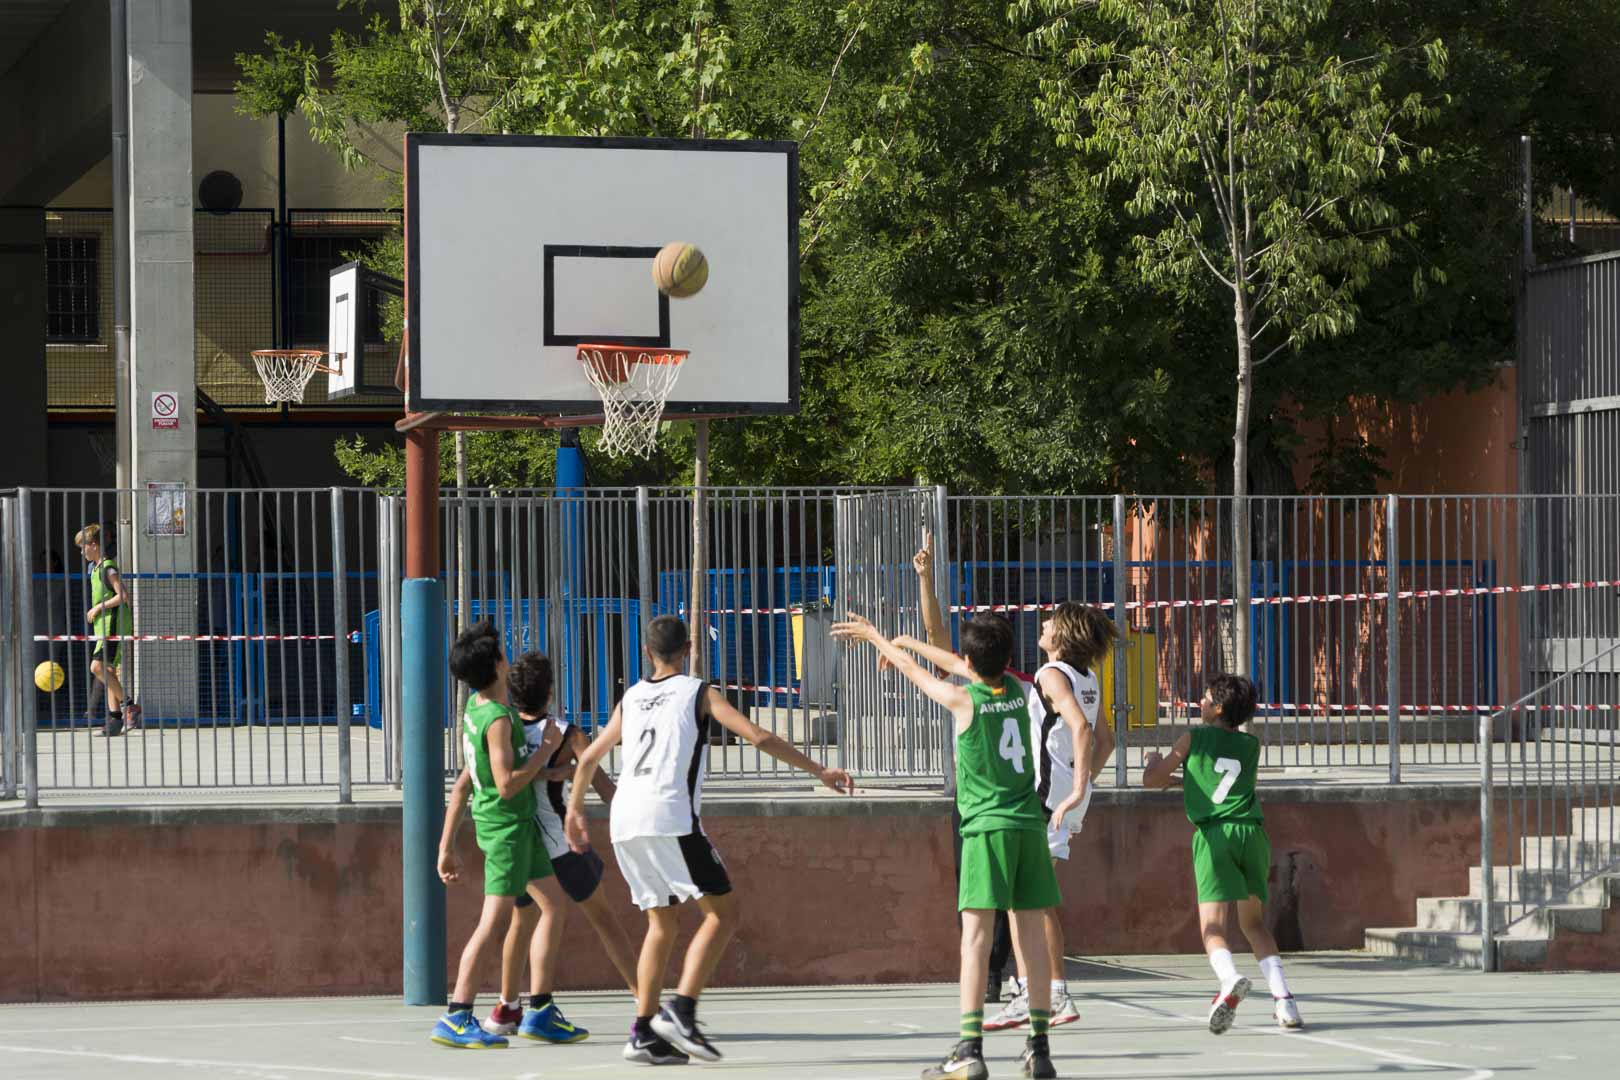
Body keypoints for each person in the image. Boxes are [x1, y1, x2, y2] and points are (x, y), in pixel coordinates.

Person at [565, 615, 854, 1066]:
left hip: (625, 819)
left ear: (646, 652)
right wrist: (820, 770)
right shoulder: (699, 692)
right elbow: (758, 735)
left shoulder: (631, 697)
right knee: (723, 912)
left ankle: (643, 1032)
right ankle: (681, 1011)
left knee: (662, 925)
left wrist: (575, 812)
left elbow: (588, 760)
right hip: (668, 815)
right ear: (690, 648)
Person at [834, 611, 1059, 1080]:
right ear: (1010, 657)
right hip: (1029, 829)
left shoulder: (962, 700)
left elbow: (919, 674)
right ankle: (1038, 1048)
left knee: (975, 940)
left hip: (986, 830)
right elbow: (955, 663)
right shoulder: (1021, 691)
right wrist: (910, 642)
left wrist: (877, 637)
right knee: (1033, 942)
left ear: (971, 662)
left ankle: (970, 1049)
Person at [439, 650, 641, 1039]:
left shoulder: (507, 726)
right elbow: (603, 788)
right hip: (558, 843)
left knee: (523, 917)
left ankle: (506, 1007)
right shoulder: (565, 734)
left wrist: (446, 843)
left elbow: (466, 783)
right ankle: (644, 1003)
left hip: (522, 837)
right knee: (604, 921)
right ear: (550, 691)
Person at [430, 622, 583, 1049]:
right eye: (503, 653)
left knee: (552, 905)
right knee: (491, 923)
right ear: (497, 665)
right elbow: (506, 784)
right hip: (507, 831)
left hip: (518, 827)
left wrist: (446, 846)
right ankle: (457, 1014)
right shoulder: (498, 721)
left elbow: (463, 785)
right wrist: (544, 749)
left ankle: (539, 1010)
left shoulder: (477, 710)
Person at [1141, 673, 1303, 1033]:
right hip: (1252, 834)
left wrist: (1153, 763)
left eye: (1206, 697)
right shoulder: (1250, 745)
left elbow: (1151, 781)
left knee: (1213, 926)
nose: (1200, 701)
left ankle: (1229, 980)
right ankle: (1285, 1002)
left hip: (1215, 836)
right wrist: (1180, 780)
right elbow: (1221, 785)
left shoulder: (1192, 737)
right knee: (1254, 924)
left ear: (1217, 708)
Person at [985, 604, 1118, 1031]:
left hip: (1044, 801)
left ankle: (1043, 991)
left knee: (1026, 902)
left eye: (1050, 621)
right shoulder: (1088, 679)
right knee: (1031, 901)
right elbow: (1107, 740)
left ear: (1064, 634)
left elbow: (1082, 729)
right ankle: (1044, 990)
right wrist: (1082, 787)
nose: (1042, 624)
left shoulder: (1051, 675)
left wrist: (1076, 788)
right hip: (1063, 801)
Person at [74, 524, 139, 736]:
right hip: (103, 627)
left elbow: (122, 596)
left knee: (97, 668)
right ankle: (114, 722)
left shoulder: (108, 567)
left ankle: (128, 704)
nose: (82, 551)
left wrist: (97, 607)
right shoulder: (93, 568)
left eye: (83, 547)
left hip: (114, 626)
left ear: (94, 545)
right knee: (108, 672)